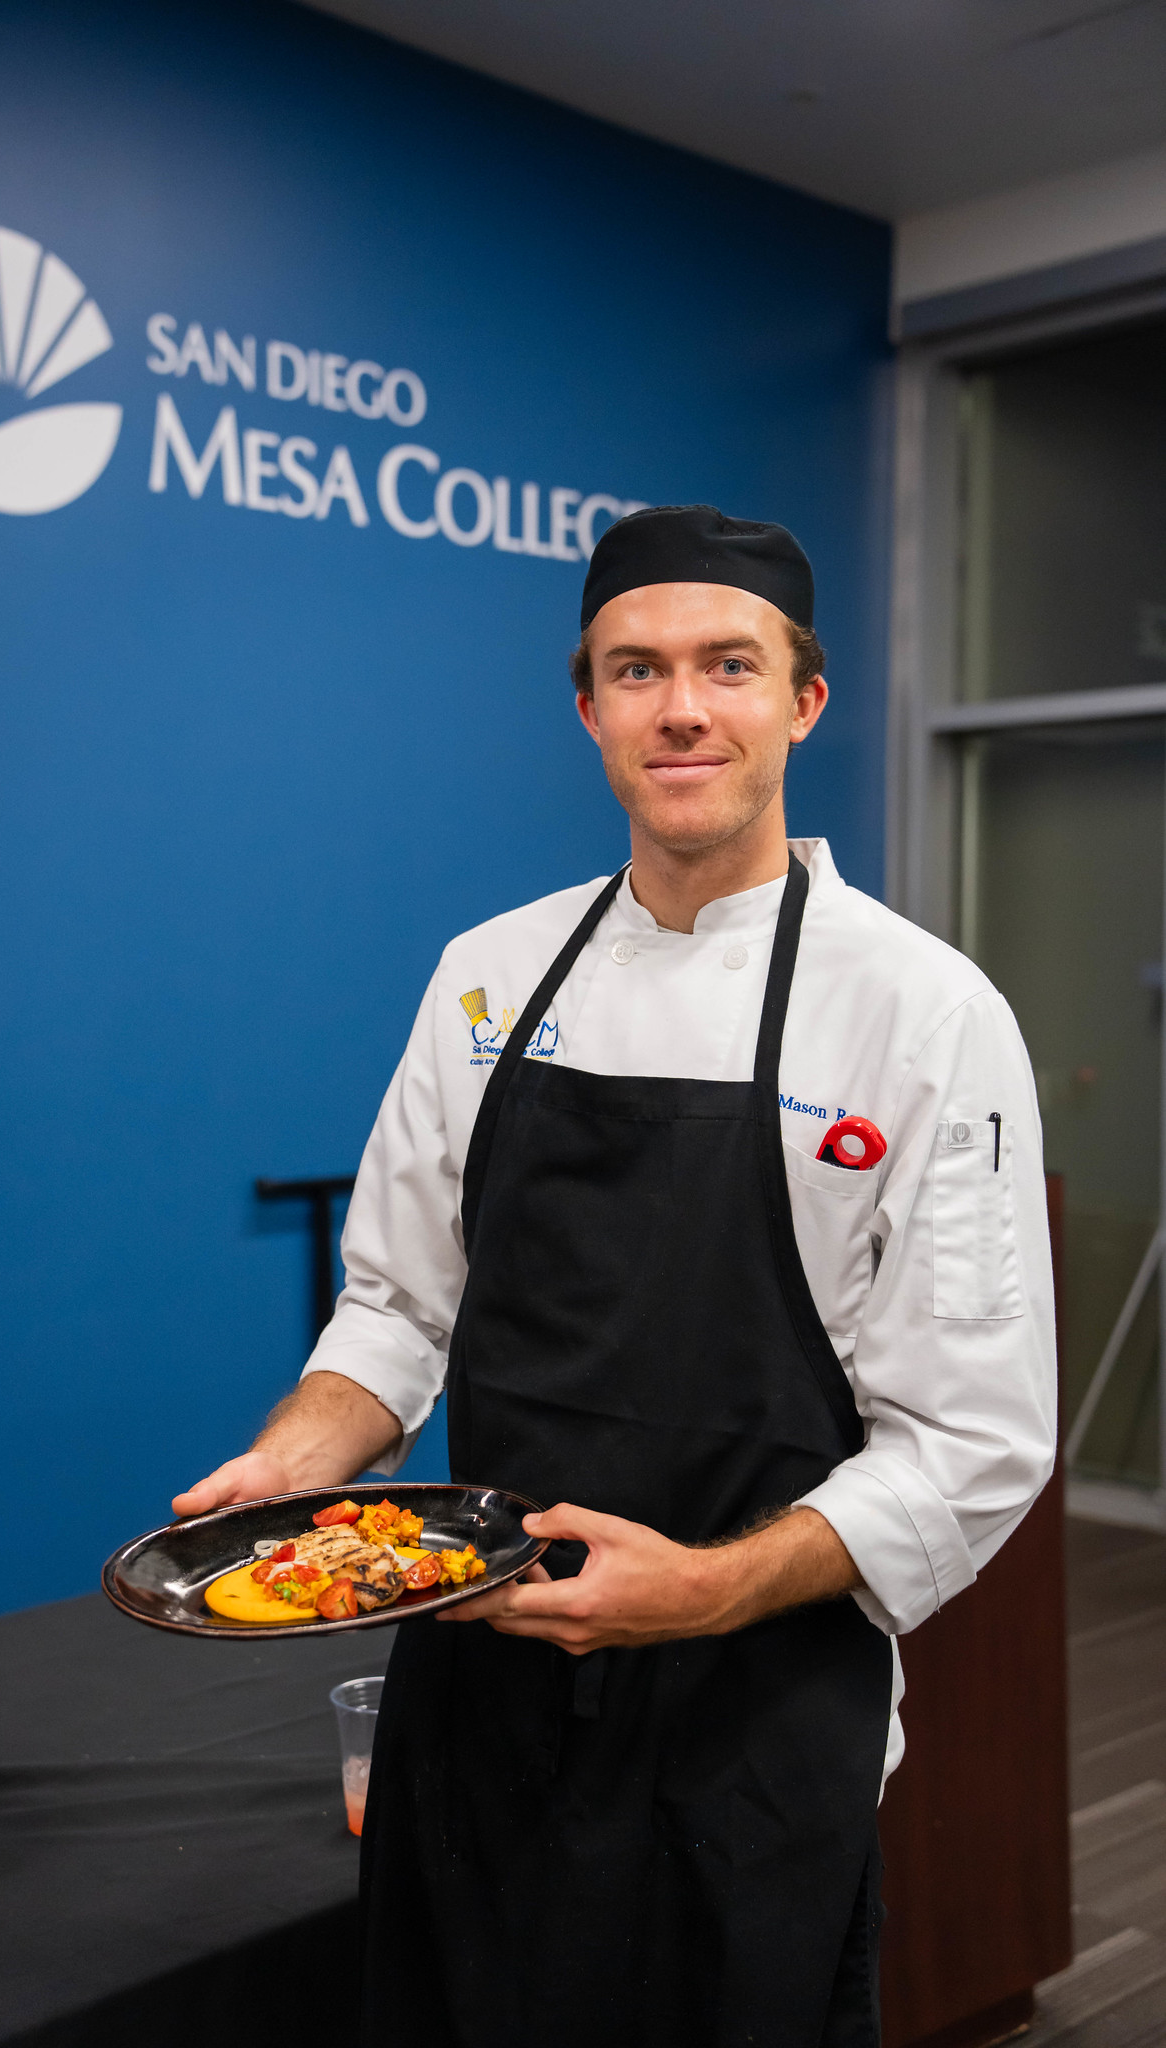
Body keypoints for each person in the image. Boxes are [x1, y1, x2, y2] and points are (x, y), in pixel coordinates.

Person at [175, 505, 1057, 2047]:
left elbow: (972, 1446)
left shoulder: (925, 1011)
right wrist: (292, 1466)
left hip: (756, 1717)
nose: (682, 708)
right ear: (587, 707)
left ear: (804, 699)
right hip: (479, 1698)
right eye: (635, 670)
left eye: (728, 664)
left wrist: (705, 1588)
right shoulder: (488, 976)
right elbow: (395, 1309)